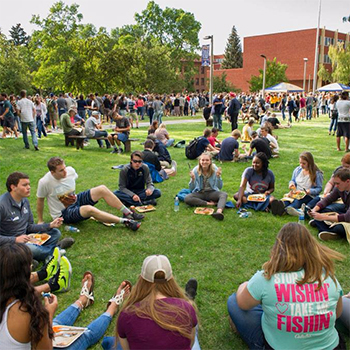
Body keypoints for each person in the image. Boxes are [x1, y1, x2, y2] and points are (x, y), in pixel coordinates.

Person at [227, 222, 344, 350]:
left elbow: (242, 303)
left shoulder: (266, 277)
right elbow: (337, 314)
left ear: (278, 248)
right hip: (332, 347)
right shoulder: (327, 276)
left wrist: (245, 285)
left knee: (234, 301)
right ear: (312, 247)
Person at [0, 242, 130, 350]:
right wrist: (48, 317)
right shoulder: (27, 313)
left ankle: (83, 300)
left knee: (56, 324)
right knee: (85, 335)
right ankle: (112, 307)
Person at [116, 255, 199, 350]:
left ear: (141, 279)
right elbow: (190, 344)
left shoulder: (126, 315)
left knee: (112, 342)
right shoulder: (186, 308)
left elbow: (127, 348)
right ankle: (189, 297)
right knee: (193, 334)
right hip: (186, 310)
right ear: (171, 279)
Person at [36, 157, 142, 231]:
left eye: (65, 168)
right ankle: (126, 221)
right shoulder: (45, 182)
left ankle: (127, 213)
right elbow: (40, 201)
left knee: (102, 189)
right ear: (52, 172)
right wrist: (40, 220)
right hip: (63, 213)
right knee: (88, 209)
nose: (65, 172)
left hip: (75, 199)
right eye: (61, 170)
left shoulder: (70, 171)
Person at [0, 172, 65, 262]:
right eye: (24, 185)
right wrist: (15, 239)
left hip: (26, 238)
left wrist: (50, 225)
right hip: (9, 246)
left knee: (55, 233)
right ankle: (54, 251)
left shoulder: (25, 201)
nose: (29, 187)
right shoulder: (2, 205)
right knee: (32, 249)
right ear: (13, 187)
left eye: (29, 184)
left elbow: (30, 226)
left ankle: (36, 256)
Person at [271, 152, 323, 216]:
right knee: (288, 200)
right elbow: (293, 180)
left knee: (298, 201)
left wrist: (309, 191)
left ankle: (287, 209)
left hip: (308, 195)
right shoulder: (298, 170)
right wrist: (291, 184)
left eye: (304, 163)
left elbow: (319, 188)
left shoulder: (317, 174)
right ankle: (281, 205)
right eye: (300, 163)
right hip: (296, 193)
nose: (301, 165)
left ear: (309, 163)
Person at [309, 167, 350, 242]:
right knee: (322, 211)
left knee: (339, 227)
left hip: (348, 216)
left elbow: (347, 217)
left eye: (338, 183)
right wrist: (315, 209)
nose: (336, 186)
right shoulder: (339, 188)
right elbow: (328, 199)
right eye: (335, 183)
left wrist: (322, 217)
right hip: (346, 212)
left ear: (348, 181)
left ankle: (326, 228)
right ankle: (328, 230)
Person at [185, 152, 227, 220]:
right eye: (203, 160)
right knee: (187, 198)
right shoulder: (195, 170)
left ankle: (219, 212)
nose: (204, 162)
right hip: (200, 192)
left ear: (210, 161)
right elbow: (191, 188)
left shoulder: (215, 169)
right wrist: (192, 179)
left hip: (212, 192)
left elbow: (220, 187)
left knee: (224, 194)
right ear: (200, 161)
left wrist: (218, 177)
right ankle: (209, 204)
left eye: (207, 160)